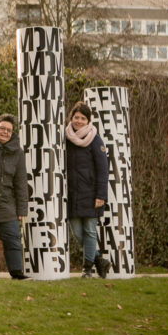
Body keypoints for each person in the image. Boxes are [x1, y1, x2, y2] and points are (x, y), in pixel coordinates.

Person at [65, 101, 111, 278]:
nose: (79, 121)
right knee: (77, 232)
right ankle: (100, 260)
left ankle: (87, 269)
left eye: (83, 118)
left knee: (90, 231)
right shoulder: (66, 138)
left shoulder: (95, 140)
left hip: (91, 194)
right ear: (71, 118)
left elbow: (103, 169)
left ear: (88, 120)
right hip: (72, 194)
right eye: (76, 117)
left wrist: (101, 195)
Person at [0, 114, 29, 280]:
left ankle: (16, 272)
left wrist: (22, 209)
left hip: (7, 202)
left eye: (8, 130)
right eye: (2, 129)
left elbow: (21, 182)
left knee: (13, 238)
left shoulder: (17, 152)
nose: (5, 132)